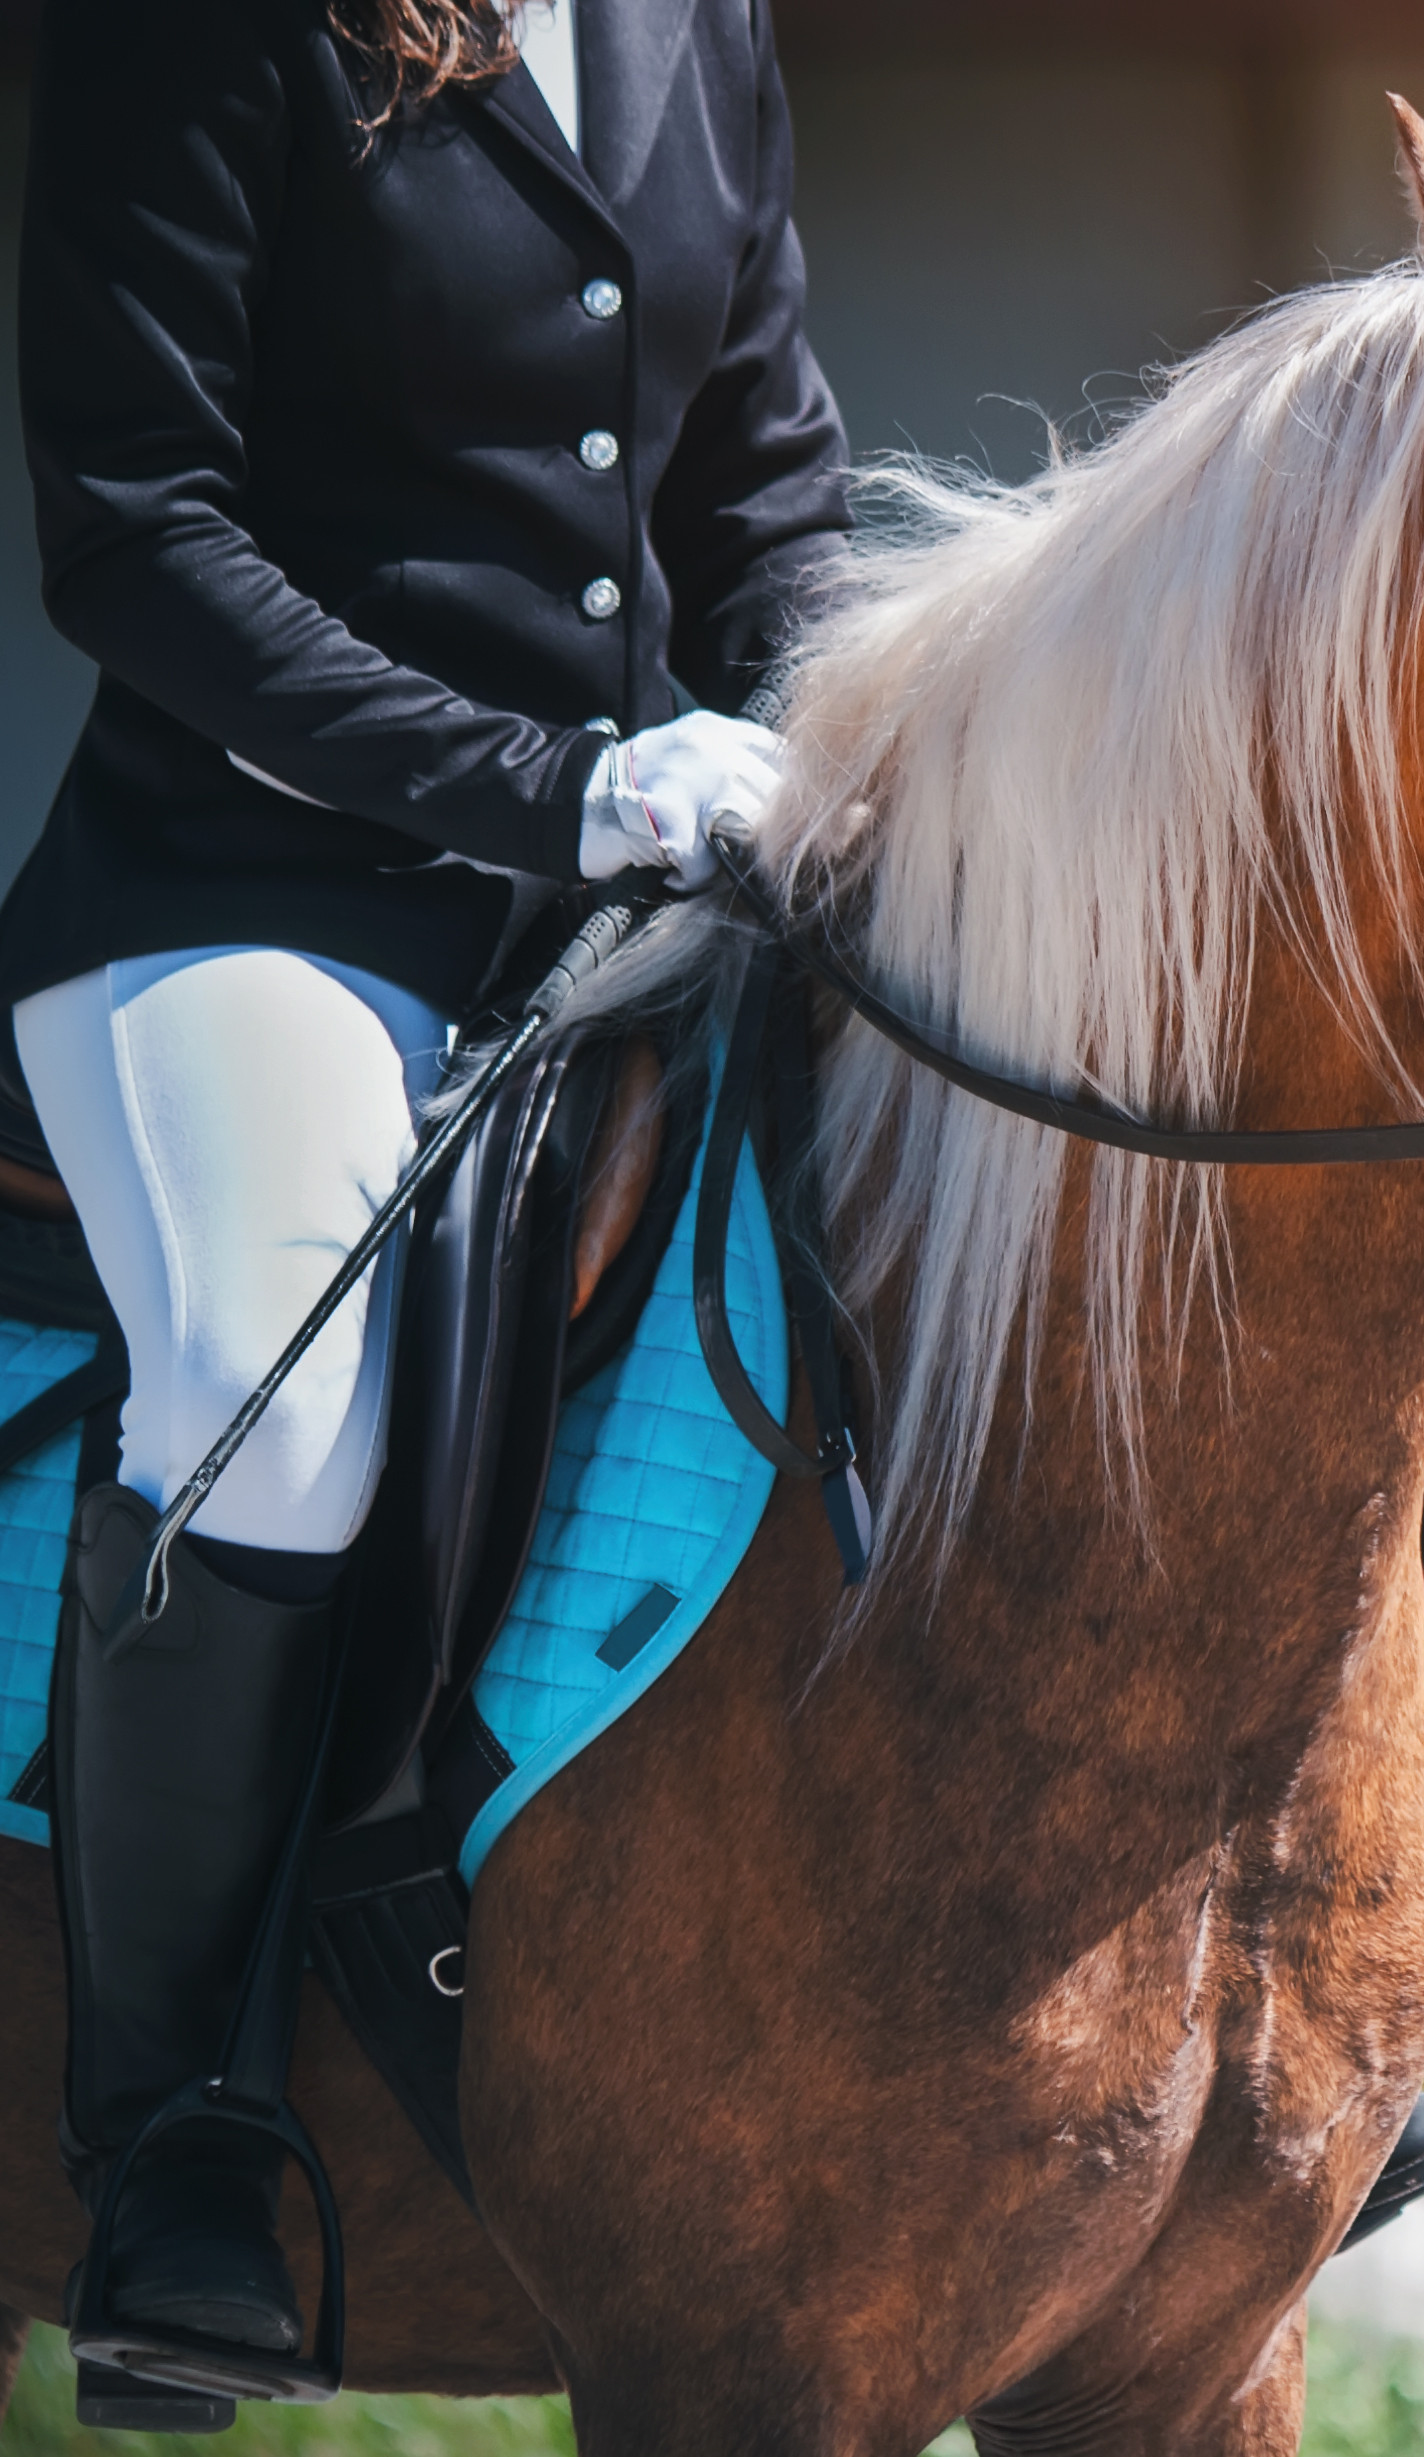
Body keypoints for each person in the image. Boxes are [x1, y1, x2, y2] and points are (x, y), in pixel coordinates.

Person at [4, 0, 838, 2381]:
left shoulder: (693, 24)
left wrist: (801, 734)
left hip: (651, 872)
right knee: (279, 1389)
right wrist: (541, 783)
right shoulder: (198, 31)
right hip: (257, 889)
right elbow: (136, 536)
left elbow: (763, 468)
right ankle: (175, 2136)